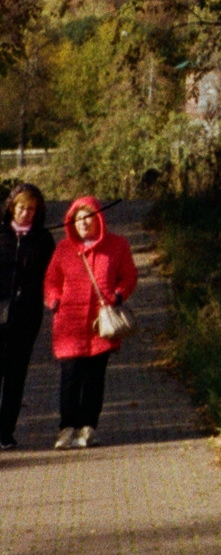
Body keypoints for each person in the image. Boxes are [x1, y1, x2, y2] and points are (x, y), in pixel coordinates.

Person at [42, 193, 138, 450]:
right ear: (71, 222)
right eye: (78, 218)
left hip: (101, 324)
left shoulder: (117, 245)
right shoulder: (64, 249)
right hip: (69, 325)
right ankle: (67, 428)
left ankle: (88, 427)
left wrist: (118, 295)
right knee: (70, 376)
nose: (84, 223)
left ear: (100, 219)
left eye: (89, 218)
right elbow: (51, 280)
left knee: (95, 377)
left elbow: (128, 276)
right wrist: (55, 300)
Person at [1, 184, 55, 447]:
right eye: (21, 207)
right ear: (12, 207)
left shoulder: (43, 239)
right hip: (1, 310)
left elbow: (53, 275)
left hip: (26, 315)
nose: (25, 213)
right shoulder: (1, 235)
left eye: (31, 209)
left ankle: (5, 432)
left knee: (16, 373)